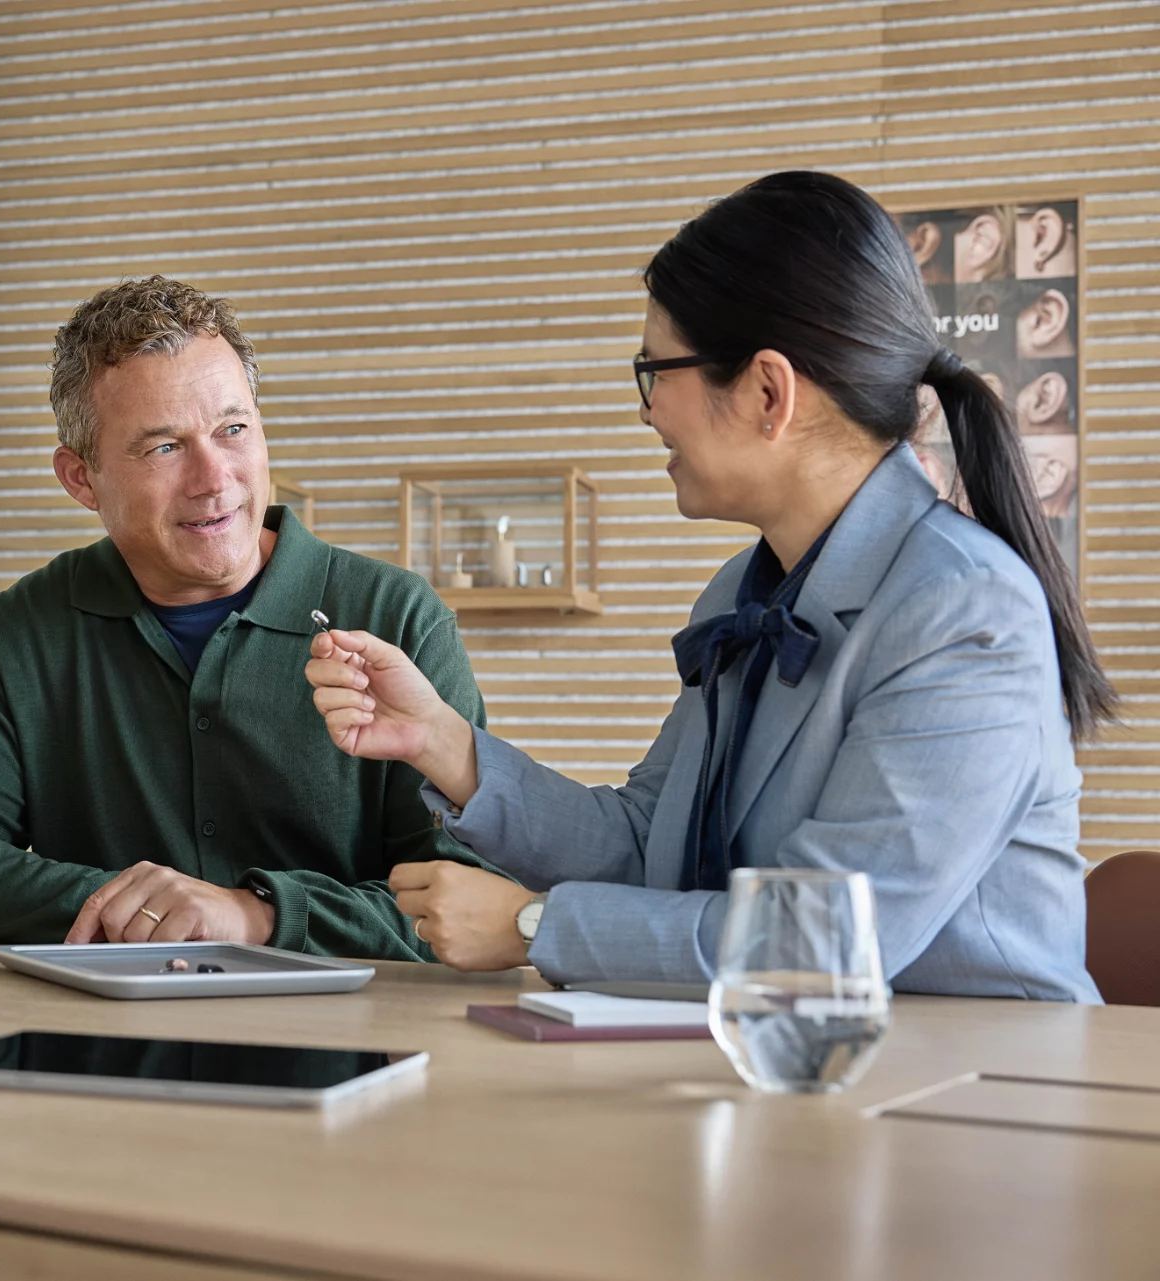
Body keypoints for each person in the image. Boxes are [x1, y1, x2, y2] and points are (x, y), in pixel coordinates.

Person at [305, 172, 1112, 1002]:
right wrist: (441, 740)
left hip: (975, 1094)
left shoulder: (967, 609)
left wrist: (533, 926)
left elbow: (827, 940)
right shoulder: (743, 594)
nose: (647, 410)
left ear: (768, 390)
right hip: (791, 1067)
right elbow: (650, 840)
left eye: (656, 370)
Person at [0, 276, 497, 958]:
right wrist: (145, 908)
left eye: (233, 429)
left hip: (342, 1045)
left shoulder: (398, 617)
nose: (214, 478)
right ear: (81, 478)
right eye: (164, 447)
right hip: (100, 1050)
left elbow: (469, 906)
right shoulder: (29, 628)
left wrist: (254, 914)